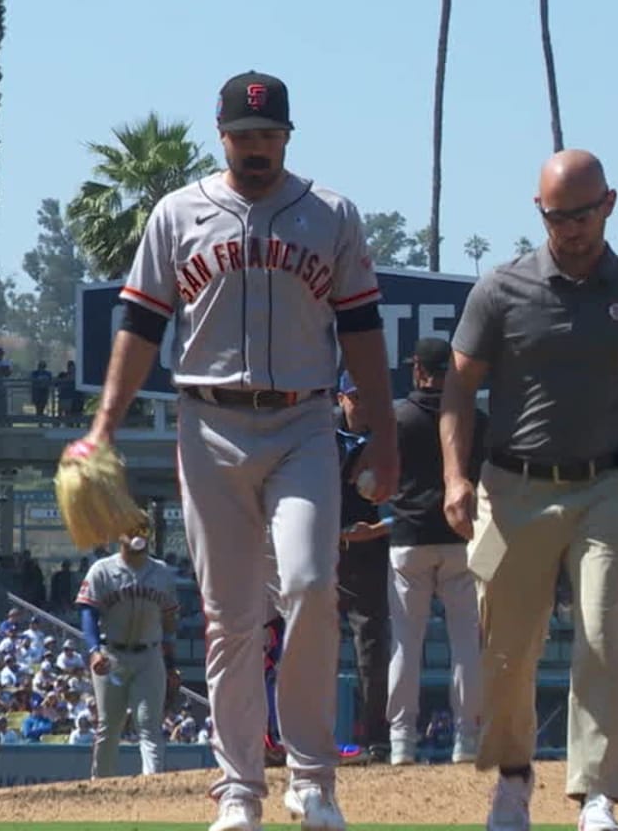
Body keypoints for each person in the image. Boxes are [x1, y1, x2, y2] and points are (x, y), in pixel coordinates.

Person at [72, 70, 397, 831]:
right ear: (222, 137)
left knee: (313, 586)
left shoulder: (331, 215)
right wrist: (105, 424)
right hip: (207, 422)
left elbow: (363, 334)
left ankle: (312, 779)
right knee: (230, 617)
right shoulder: (178, 213)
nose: (256, 148)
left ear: (288, 137)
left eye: (269, 136)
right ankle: (238, 791)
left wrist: (384, 436)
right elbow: (141, 325)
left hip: (304, 421)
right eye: (243, 136)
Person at [438, 149, 618, 831]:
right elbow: (458, 385)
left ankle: (595, 794)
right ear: (541, 212)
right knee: (505, 650)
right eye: (558, 217)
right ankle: (511, 778)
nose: (571, 229)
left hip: (607, 487)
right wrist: (454, 475)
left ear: (609, 205)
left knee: (604, 631)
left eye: (583, 214)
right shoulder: (500, 290)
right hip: (513, 485)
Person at [385, 336, 486, 766]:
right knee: (467, 644)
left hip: (409, 538)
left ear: (418, 370)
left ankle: (401, 742)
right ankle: (466, 739)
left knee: (406, 643)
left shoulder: (399, 417)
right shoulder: (474, 418)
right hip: (462, 537)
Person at [76, 527, 179, 777]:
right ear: (119, 536)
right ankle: (100, 784)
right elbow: (88, 613)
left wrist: (170, 661)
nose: (138, 535)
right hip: (112, 655)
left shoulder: (162, 572)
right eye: (132, 529)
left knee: (149, 724)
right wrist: (93, 650)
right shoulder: (102, 569)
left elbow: (169, 621)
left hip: (150, 655)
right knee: (109, 726)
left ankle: (152, 784)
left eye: (143, 529)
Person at [332, 371, 392, 762]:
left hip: (372, 558)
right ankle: (310, 738)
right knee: (313, 647)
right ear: (340, 398)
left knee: (371, 649)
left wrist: (377, 529)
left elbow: (411, 503)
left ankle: (376, 742)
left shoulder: (388, 438)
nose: (360, 404)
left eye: (366, 397)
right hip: (328, 554)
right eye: (354, 397)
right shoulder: (323, 437)